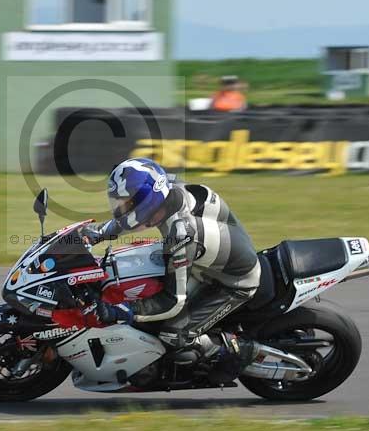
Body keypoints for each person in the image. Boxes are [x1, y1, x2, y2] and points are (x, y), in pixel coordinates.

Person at [80, 157, 261, 383]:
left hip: (233, 282)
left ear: (147, 200)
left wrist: (123, 310)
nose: (121, 208)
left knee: (173, 334)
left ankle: (237, 351)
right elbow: (132, 220)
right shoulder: (166, 192)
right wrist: (96, 233)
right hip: (212, 253)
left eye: (126, 203)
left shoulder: (180, 234)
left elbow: (173, 301)